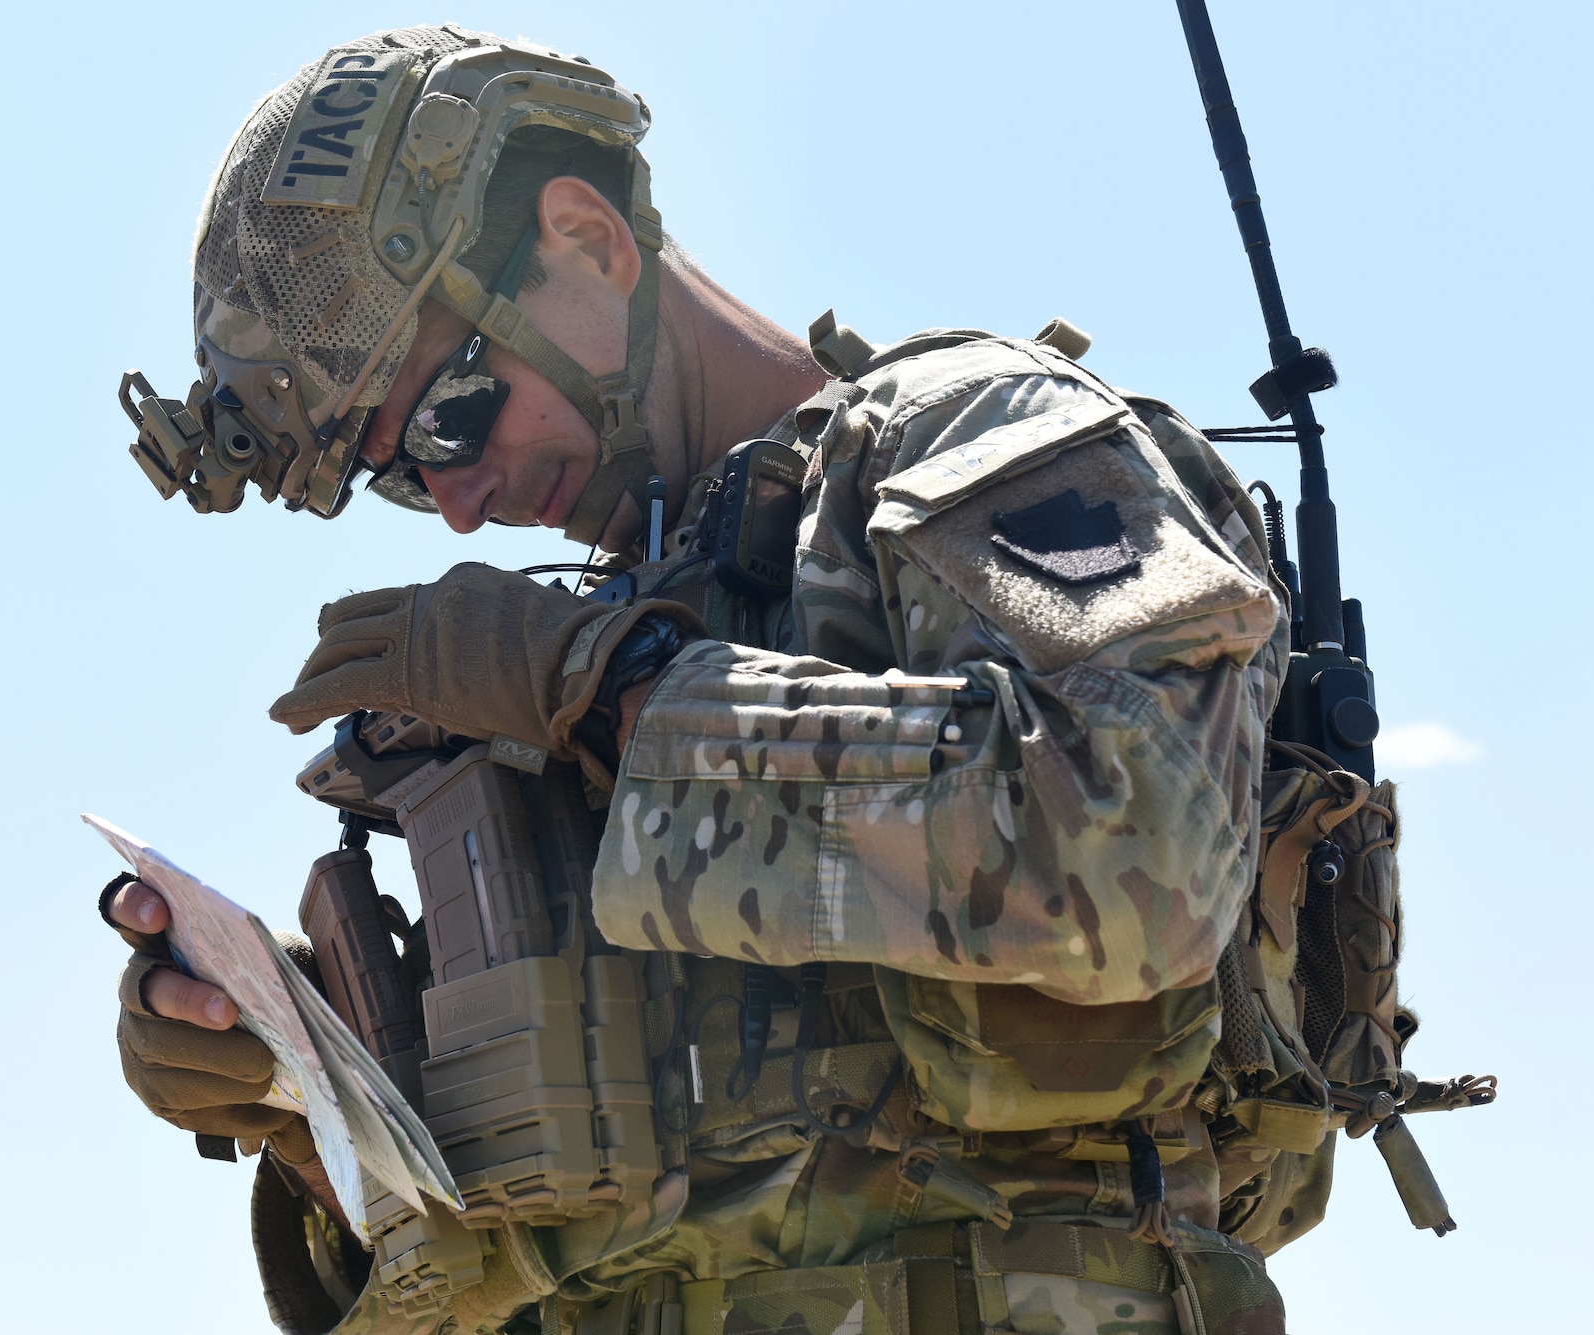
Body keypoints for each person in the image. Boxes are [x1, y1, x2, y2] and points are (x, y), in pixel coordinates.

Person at [106, 22, 1304, 1335]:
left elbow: (1147, 844)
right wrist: (309, 1093)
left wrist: (606, 684)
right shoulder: (610, 632)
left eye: (451, 416)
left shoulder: (961, 441)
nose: (452, 505)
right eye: (402, 471)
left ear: (589, 240)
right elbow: (574, 1237)